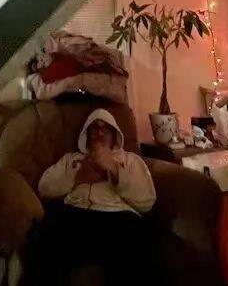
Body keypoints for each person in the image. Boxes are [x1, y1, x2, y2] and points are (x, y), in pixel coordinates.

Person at [27, 108, 160, 285]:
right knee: (42, 235)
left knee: (143, 243)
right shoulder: (71, 159)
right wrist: (77, 178)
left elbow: (147, 201)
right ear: (86, 134)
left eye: (106, 129)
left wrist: (114, 170)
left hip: (117, 218)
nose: (99, 132)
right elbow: (44, 187)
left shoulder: (130, 160)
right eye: (94, 128)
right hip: (74, 215)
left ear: (115, 135)